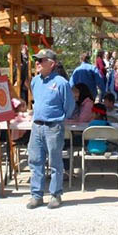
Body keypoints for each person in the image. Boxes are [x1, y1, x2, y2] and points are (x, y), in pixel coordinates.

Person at [27, 48, 73, 209]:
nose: (37, 63)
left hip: (54, 127)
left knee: (55, 162)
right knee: (35, 161)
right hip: (37, 126)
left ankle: (55, 194)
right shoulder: (35, 81)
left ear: (51, 64)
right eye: (36, 60)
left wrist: (58, 119)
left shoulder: (62, 83)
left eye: (41, 60)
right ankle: (36, 195)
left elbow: (69, 107)